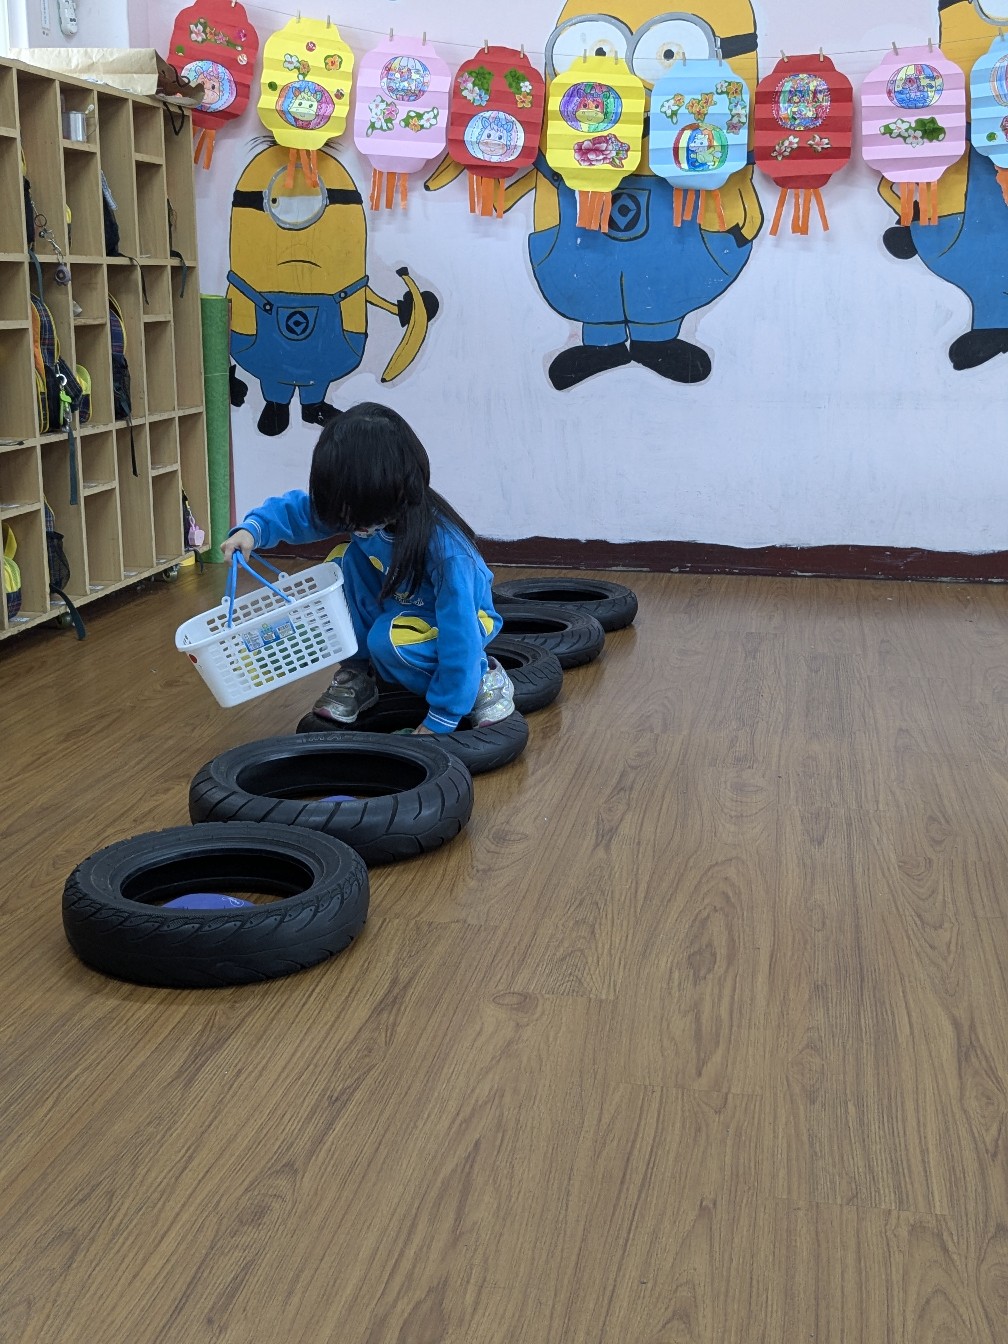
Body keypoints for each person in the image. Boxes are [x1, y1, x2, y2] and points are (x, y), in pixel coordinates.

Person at [221, 402, 515, 734]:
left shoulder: (448, 553)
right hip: (398, 603)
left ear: (397, 493)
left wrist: (445, 714)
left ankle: (483, 679)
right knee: (343, 561)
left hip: (459, 619)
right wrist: (253, 530)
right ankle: (359, 674)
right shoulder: (360, 511)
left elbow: (460, 633)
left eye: (353, 513)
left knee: (387, 644)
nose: (348, 522)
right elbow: (302, 512)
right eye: (341, 510)